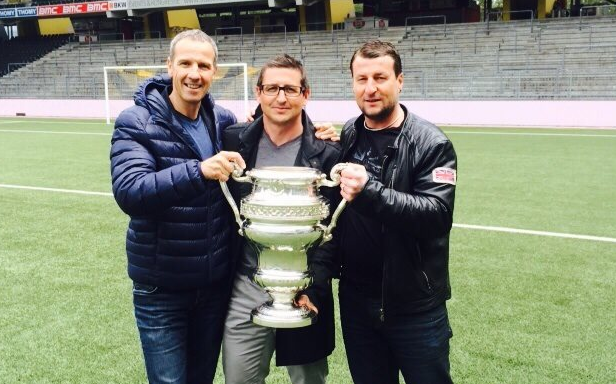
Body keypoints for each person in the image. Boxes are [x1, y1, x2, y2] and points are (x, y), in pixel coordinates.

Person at [110, 29, 246, 384]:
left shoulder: (224, 121)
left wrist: (314, 132)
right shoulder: (135, 121)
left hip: (213, 286)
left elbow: (268, 139)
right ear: (169, 66)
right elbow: (130, 192)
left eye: (203, 65)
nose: (194, 73)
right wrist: (197, 171)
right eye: (185, 63)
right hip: (162, 288)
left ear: (214, 72)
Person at [333, 40, 457, 383]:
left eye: (380, 78)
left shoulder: (432, 143)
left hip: (413, 305)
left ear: (399, 81)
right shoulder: (349, 132)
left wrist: (370, 191)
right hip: (356, 301)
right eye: (361, 79)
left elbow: (437, 215)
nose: (370, 89)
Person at [221, 54, 341, 384]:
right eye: (272, 88)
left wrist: (312, 288)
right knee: (239, 379)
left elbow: (334, 232)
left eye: (290, 88)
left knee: (309, 379)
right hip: (246, 283)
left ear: (306, 93)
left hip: (304, 288)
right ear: (258, 93)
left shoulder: (328, 151)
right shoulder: (234, 140)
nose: (281, 97)